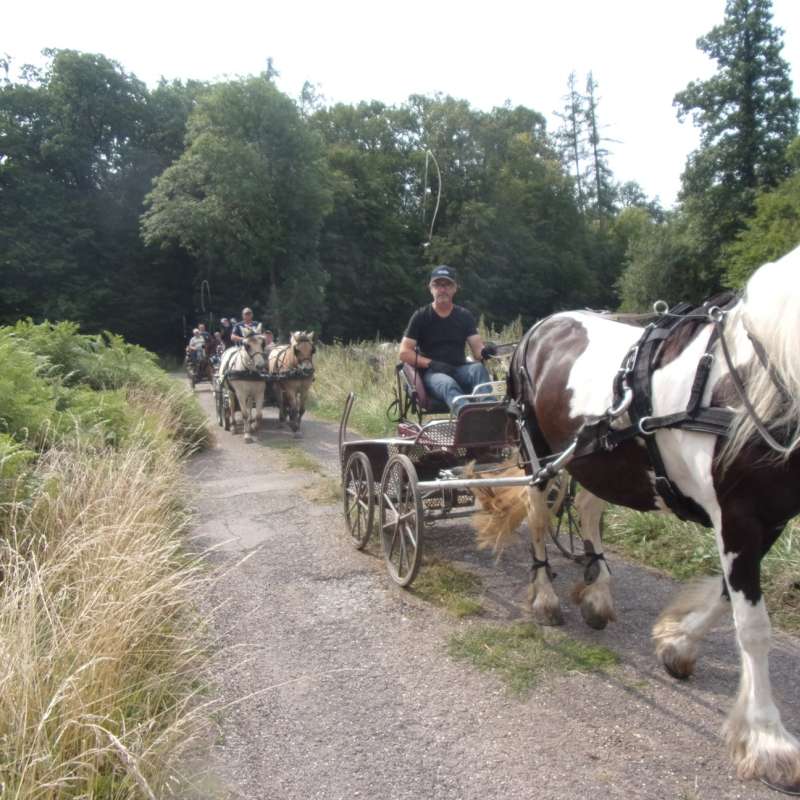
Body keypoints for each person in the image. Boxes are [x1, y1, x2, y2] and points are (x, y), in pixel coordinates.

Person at [398, 265, 497, 411]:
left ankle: (491, 412)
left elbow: (478, 352)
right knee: (447, 384)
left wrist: (486, 352)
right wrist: (431, 364)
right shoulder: (420, 316)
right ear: (430, 288)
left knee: (478, 369)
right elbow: (404, 353)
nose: (442, 289)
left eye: (447, 285)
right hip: (433, 373)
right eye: (437, 285)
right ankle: (469, 418)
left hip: (460, 368)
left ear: (455, 288)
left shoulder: (464, 316)